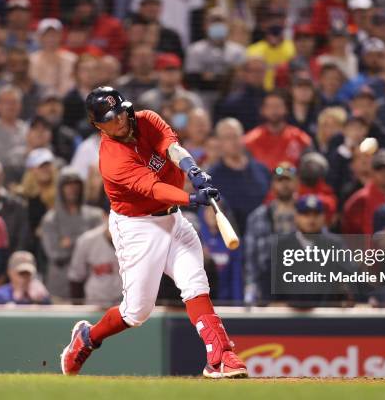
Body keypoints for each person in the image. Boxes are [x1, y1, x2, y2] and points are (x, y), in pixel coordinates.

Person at [60, 87, 248, 378]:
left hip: (172, 219)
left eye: (121, 111)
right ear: (98, 125)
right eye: (111, 118)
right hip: (138, 226)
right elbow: (154, 189)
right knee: (136, 312)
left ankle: (221, 356)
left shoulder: (146, 118)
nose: (121, 119)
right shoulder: (112, 159)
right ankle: (88, 337)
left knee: (195, 284)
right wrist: (191, 198)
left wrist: (193, 170)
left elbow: (171, 147)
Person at [40, 166, 102, 300]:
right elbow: (56, 254)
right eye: (67, 185)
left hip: (90, 286)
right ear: (60, 188)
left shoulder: (95, 216)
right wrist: (85, 243)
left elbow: (99, 251)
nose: (72, 189)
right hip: (60, 286)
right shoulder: (50, 219)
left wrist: (69, 242)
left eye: (76, 184)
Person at [244, 162, 297, 305]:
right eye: (280, 180)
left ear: (296, 183)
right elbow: (251, 257)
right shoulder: (258, 216)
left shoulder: (307, 213)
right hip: (267, 286)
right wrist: (251, 287)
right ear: (273, 184)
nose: (284, 184)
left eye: (288, 180)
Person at [209, 118, 271, 236]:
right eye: (228, 138)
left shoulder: (262, 170)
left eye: (236, 136)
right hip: (233, 239)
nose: (234, 141)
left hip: (263, 236)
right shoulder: (212, 177)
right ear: (219, 142)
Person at [185, 7, 246, 109]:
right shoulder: (194, 50)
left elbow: (238, 81)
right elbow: (193, 81)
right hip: (202, 103)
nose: (217, 25)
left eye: (221, 21)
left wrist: (210, 77)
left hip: (230, 102)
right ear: (205, 25)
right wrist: (225, 77)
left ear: (228, 25)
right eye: (213, 21)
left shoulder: (238, 51)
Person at [244, 92, 312, 170]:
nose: (274, 110)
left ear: (286, 109)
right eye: (270, 107)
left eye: (278, 106)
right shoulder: (250, 140)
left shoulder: (301, 139)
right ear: (262, 110)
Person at [68, 217, 123, 306]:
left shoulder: (136, 240)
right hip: (95, 302)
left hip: (126, 303)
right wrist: (77, 306)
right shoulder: (87, 240)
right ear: (106, 216)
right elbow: (76, 276)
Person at [342, 149, 385, 234]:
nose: (384, 173)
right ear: (372, 172)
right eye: (379, 169)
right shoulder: (361, 198)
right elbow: (349, 229)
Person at [214, 57, 267, 131]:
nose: (257, 74)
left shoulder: (269, 99)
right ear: (245, 73)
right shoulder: (231, 102)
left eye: (260, 71)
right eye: (253, 71)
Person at [138, 53, 202, 113]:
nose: (171, 73)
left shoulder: (192, 99)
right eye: (166, 70)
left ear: (180, 73)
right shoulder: (147, 100)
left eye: (175, 70)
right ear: (157, 73)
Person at [29, 18, 77, 97]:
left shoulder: (72, 59)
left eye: (54, 34)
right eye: (47, 35)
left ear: (61, 36)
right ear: (40, 37)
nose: (51, 38)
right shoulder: (32, 60)